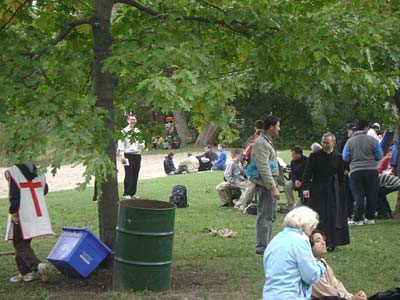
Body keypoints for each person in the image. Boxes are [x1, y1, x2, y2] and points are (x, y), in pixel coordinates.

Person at [263, 206, 326, 300]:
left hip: (270, 295)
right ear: (307, 226)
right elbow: (311, 276)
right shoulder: (300, 241)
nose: (310, 233)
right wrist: (321, 265)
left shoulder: (276, 239)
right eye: (312, 228)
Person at [4, 162, 53, 283]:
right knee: (22, 242)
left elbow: (14, 195)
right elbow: (44, 189)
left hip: (22, 212)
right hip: (35, 212)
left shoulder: (14, 171)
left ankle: (37, 267)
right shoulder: (39, 172)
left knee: (19, 243)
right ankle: (25, 272)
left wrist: (14, 212)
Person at [302, 132, 349, 251]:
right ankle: (315, 241)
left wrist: (341, 190)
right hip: (317, 189)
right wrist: (306, 188)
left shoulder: (338, 157)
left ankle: (331, 242)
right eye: (323, 142)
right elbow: (307, 173)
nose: (325, 145)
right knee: (319, 216)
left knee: (332, 216)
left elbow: (341, 176)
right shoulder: (314, 156)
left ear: (333, 142)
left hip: (332, 190)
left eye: (327, 143)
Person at [250, 115, 281, 256]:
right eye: (278, 126)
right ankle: (262, 247)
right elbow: (263, 167)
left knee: (271, 215)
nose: (279, 128)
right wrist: (272, 187)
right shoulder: (261, 143)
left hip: (270, 183)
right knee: (265, 215)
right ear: (271, 127)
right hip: (266, 185)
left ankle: (266, 245)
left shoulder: (267, 141)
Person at [343, 120, 383, 225]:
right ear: (366, 128)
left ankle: (358, 218)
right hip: (371, 170)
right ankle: (370, 218)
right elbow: (379, 155)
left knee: (358, 195)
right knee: (371, 194)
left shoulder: (350, 141)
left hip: (356, 171)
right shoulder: (372, 140)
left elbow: (345, 157)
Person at [310, 230, 367, 300]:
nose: (323, 243)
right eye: (318, 241)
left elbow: (336, 284)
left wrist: (349, 296)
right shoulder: (311, 268)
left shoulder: (322, 261)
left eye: (323, 240)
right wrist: (351, 298)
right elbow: (327, 292)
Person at [117, 114, 145, 199]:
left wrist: (142, 145)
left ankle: (133, 193)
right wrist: (122, 156)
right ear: (128, 121)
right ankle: (127, 193)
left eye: (134, 119)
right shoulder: (124, 131)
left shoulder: (138, 131)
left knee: (135, 173)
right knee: (128, 174)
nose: (133, 121)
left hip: (137, 154)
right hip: (127, 155)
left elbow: (142, 141)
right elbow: (121, 144)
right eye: (131, 119)